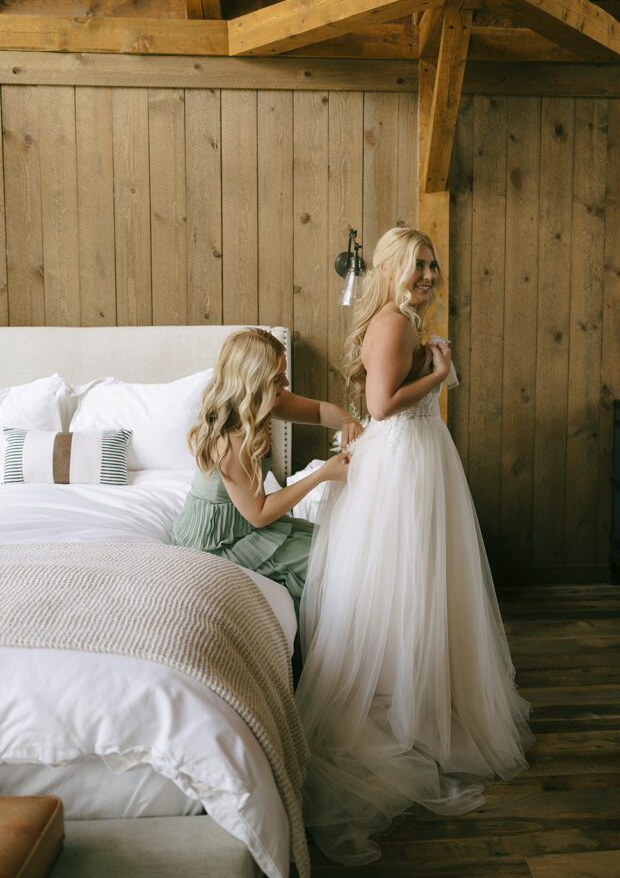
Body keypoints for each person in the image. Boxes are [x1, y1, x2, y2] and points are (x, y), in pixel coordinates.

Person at [295, 227, 534, 865]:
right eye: (418, 264)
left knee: (423, 583)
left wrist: (434, 369)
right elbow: (382, 405)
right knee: (405, 583)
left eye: (432, 264)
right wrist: (443, 375)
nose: (429, 274)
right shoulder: (394, 324)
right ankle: (402, 705)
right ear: (393, 266)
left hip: (420, 460)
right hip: (403, 463)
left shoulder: (403, 319)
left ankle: (419, 695)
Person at [172, 327, 361, 618]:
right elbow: (258, 513)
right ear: (252, 382)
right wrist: (322, 474)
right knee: (333, 561)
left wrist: (347, 420)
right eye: (277, 378)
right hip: (220, 542)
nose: (285, 382)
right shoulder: (230, 440)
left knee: (337, 544)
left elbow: (321, 411)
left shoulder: (267, 400)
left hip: (246, 525)